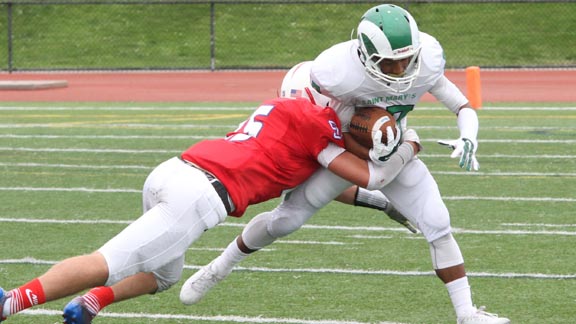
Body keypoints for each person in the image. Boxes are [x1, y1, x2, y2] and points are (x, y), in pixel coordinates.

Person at [0, 71, 420, 323]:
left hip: (173, 172)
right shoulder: (316, 127)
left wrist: (378, 205)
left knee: (164, 275)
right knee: (106, 262)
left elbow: (326, 186)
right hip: (199, 197)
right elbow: (364, 173)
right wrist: (405, 150)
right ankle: (11, 301)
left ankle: (91, 303)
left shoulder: (285, 118)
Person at [179, 4, 510, 324]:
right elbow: (370, 175)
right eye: (390, 64)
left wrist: (468, 136)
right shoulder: (336, 83)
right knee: (286, 221)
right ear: (365, 59)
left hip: (389, 145)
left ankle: (467, 314)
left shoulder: (425, 61)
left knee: (438, 222)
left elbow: (461, 105)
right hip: (341, 146)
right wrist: (409, 146)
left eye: (406, 60)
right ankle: (220, 266)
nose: (400, 70)